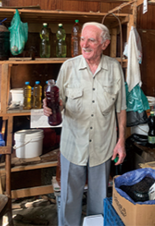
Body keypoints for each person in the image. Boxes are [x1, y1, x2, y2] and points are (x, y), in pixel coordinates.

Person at [43, 22, 127, 226]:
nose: (84, 44)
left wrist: (121, 141)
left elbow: (121, 108)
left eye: (91, 39)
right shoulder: (69, 67)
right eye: (82, 39)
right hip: (73, 146)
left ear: (104, 44)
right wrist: (50, 106)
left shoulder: (114, 68)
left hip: (102, 146)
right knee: (69, 200)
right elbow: (58, 103)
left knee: (99, 201)